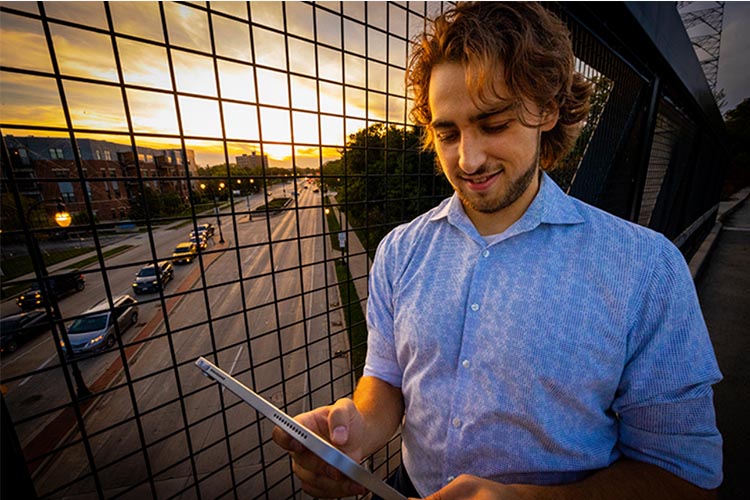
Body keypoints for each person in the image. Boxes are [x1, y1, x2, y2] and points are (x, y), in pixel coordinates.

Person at [273, 2, 723, 498]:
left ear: (548, 110)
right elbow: (387, 379)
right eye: (448, 132)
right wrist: (353, 429)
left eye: (493, 124)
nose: (468, 158)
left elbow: (684, 475)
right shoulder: (400, 251)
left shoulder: (644, 268)